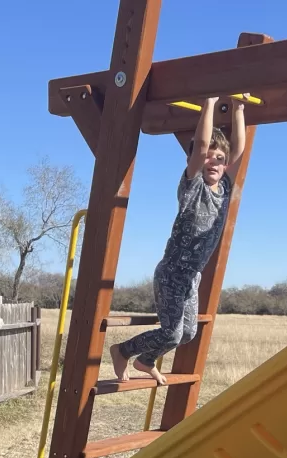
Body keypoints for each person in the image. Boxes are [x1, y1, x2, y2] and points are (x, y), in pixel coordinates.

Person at [110, 94, 249, 385]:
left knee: (187, 333)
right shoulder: (193, 185)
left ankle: (146, 362)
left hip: (191, 278)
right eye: (209, 156)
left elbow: (238, 150)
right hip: (172, 273)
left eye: (219, 159)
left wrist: (239, 108)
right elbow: (200, 147)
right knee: (172, 332)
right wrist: (208, 104)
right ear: (193, 161)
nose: (214, 160)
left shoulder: (224, 187)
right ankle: (122, 351)